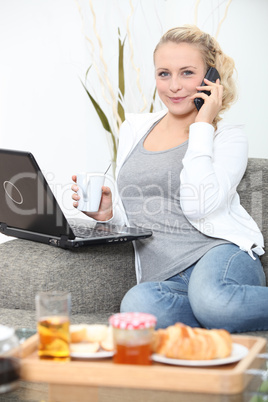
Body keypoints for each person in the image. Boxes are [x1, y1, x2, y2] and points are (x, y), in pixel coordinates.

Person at [72, 25, 267, 333]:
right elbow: (141, 211)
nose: (174, 86)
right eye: (164, 74)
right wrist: (107, 214)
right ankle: (220, 320)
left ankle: (218, 310)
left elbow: (199, 206)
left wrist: (203, 124)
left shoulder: (227, 136)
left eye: (187, 73)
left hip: (219, 256)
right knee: (138, 306)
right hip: (167, 277)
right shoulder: (135, 128)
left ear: (211, 78)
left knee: (213, 300)